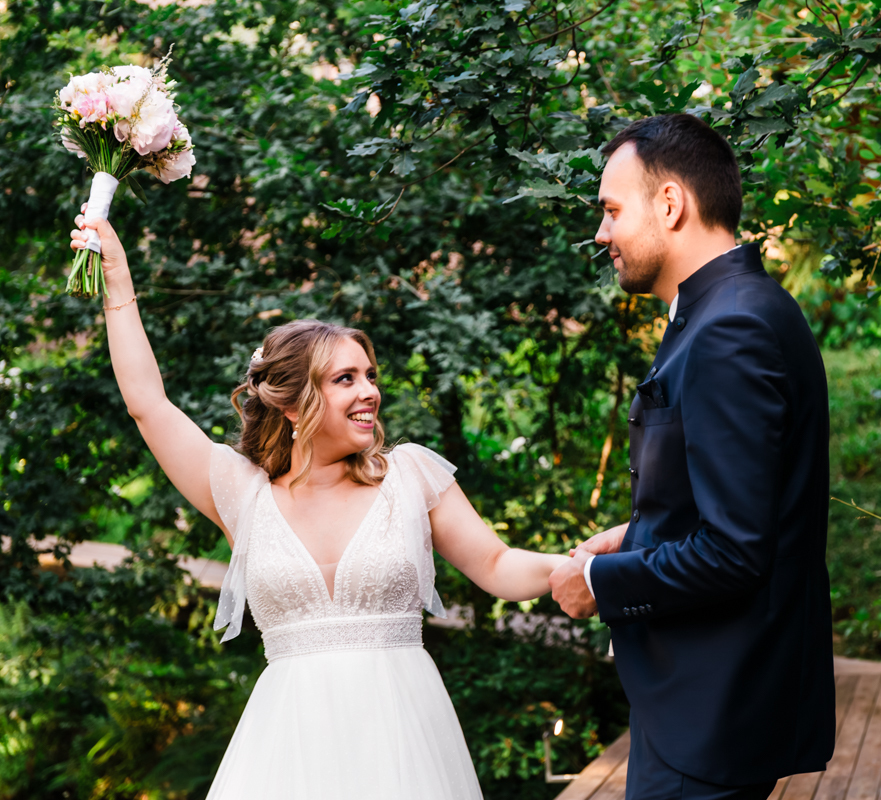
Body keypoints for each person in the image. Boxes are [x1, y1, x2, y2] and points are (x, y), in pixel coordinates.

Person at [69, 210, 577, 799]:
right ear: (292, 403)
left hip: (403, 742)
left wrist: (579, 568)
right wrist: (118, 279)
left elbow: (496, 564)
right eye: (345, 379)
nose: (370, 392)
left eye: (369, 376)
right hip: (287, 752)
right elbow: (147, 404)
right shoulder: (243, 495)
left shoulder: (410, 476)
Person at [549, 114, 836, 800]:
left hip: (711, 718)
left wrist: (601, 581)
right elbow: (735, 501)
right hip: (705, 710)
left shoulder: (729, 328)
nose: (602, 233)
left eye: (612, 210)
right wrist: (635, 535)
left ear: (671, 203)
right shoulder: (735, 309)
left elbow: (735, 551)